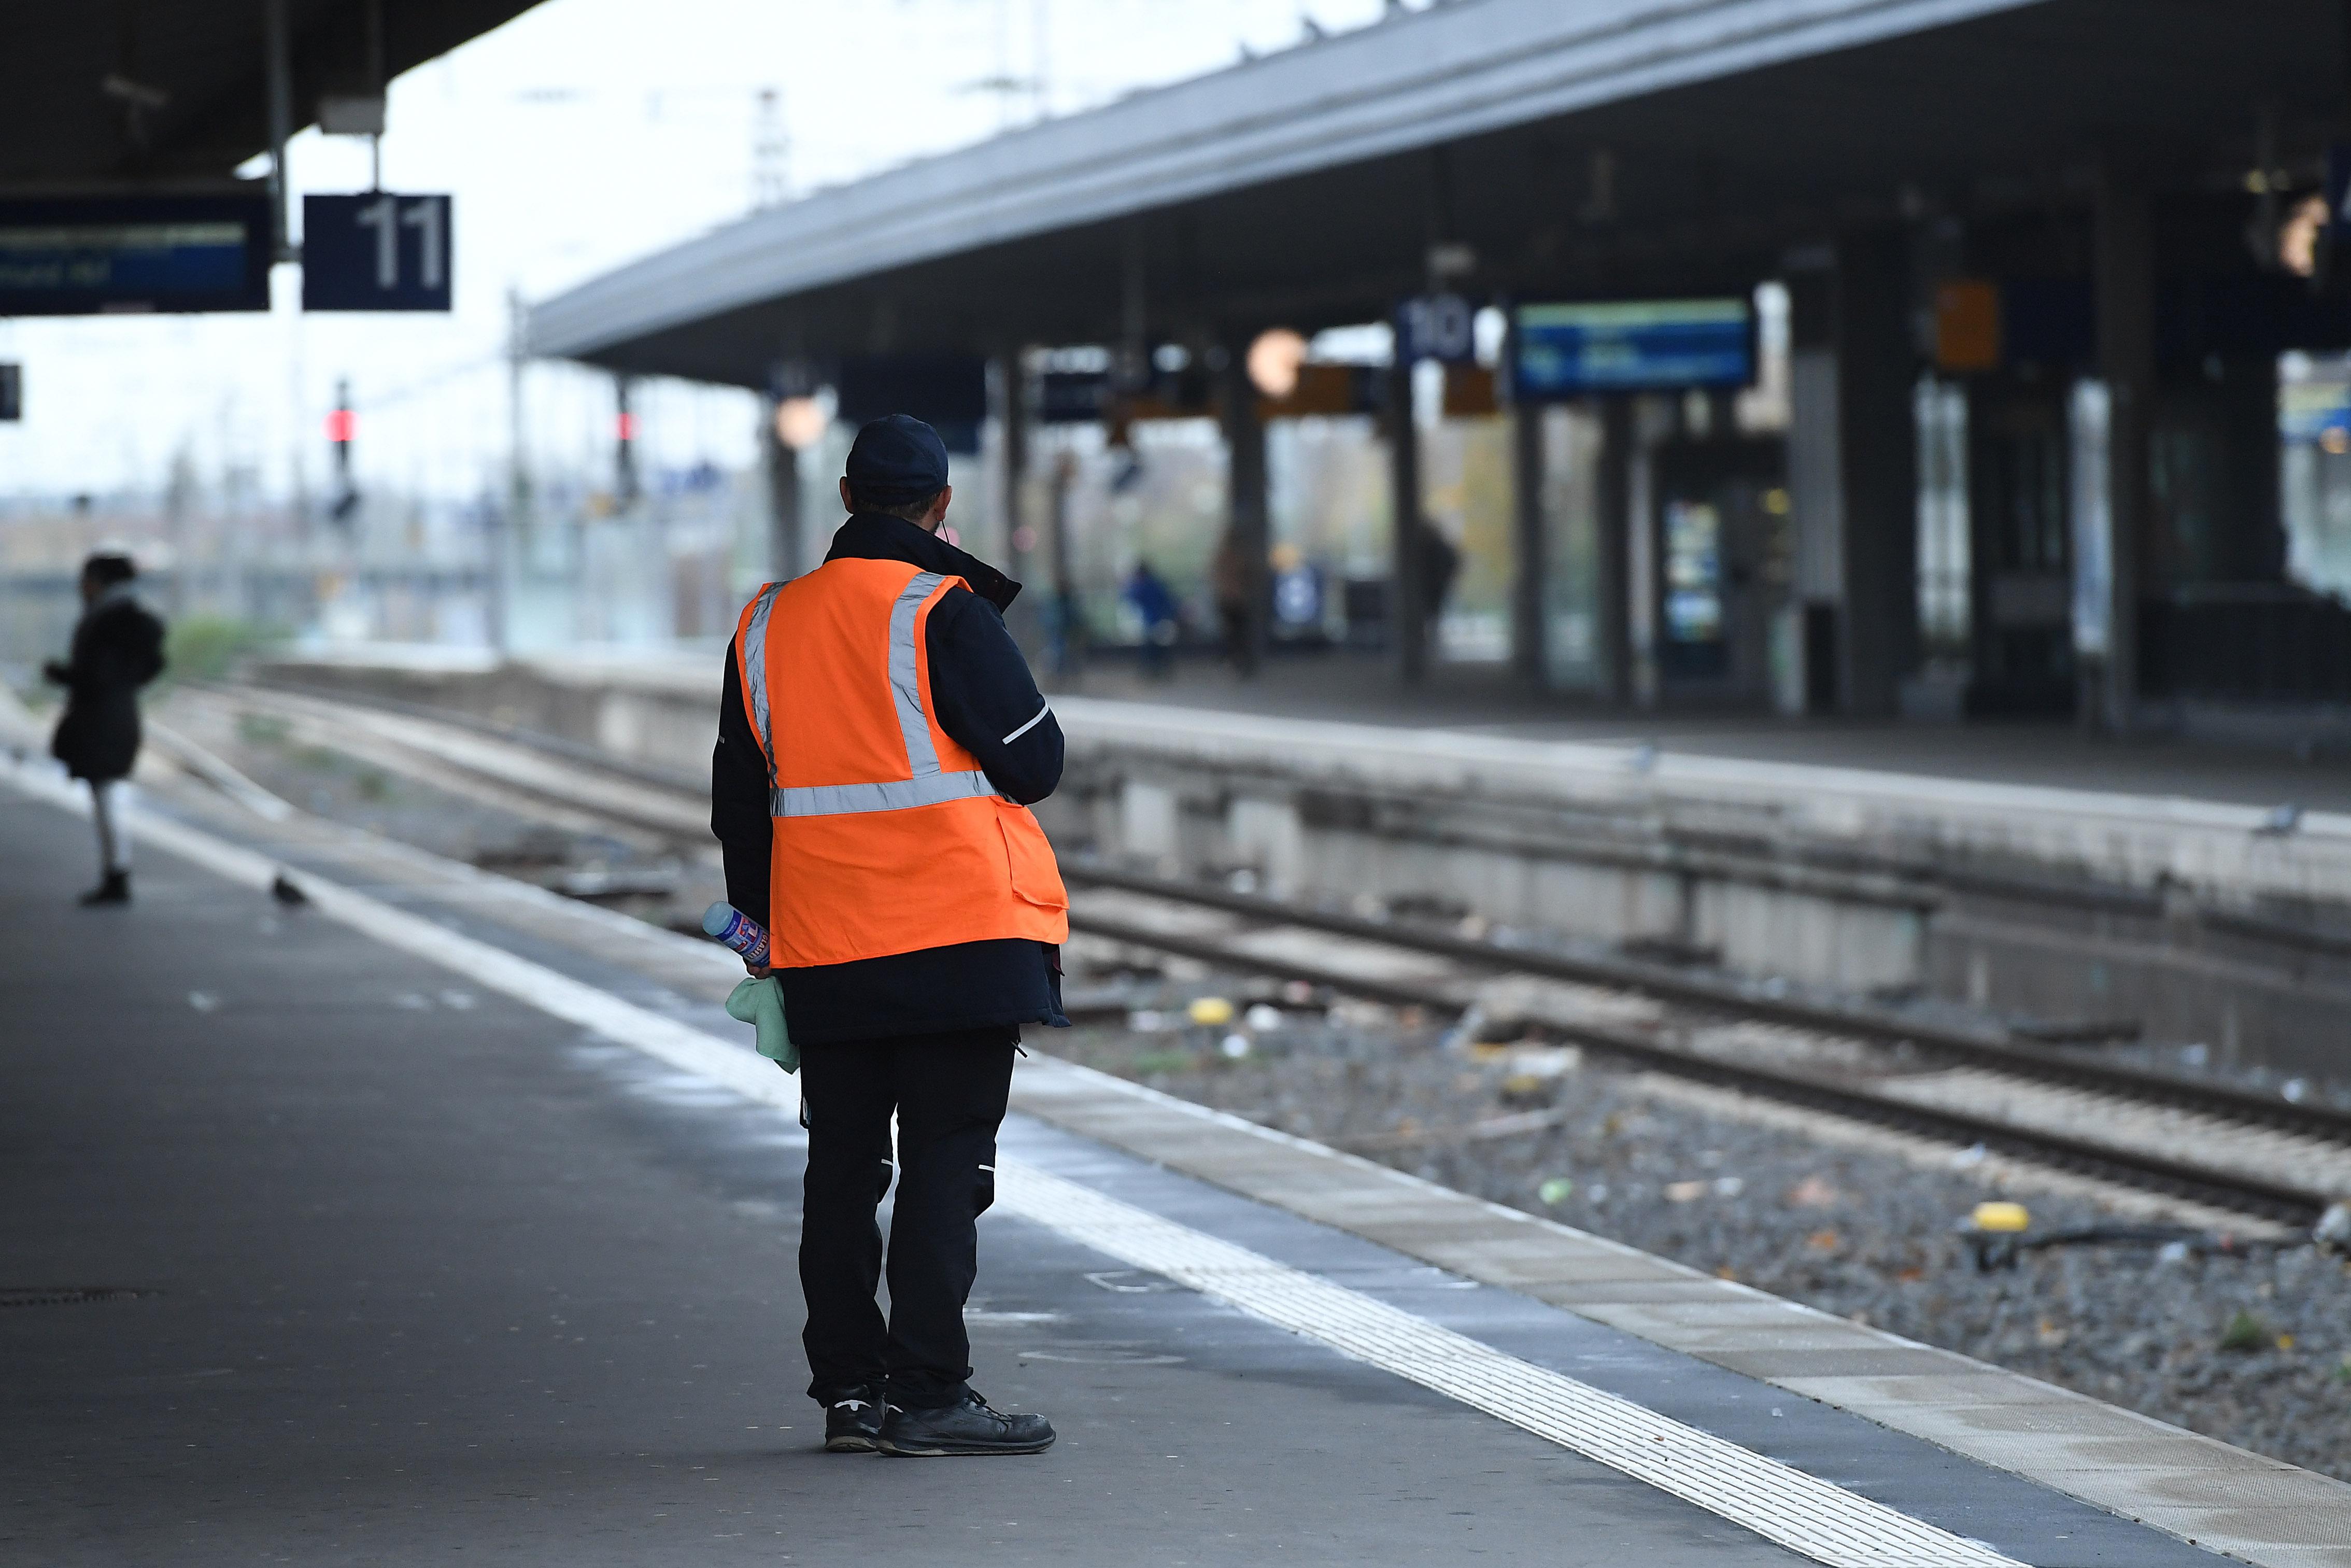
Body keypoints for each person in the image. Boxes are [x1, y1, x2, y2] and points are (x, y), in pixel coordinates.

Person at [710, 414, 1068, 1459]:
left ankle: (852, 1393)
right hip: (959, 938)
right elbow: (1034, 761)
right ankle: (930, 1389)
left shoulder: (766, 625)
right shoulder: (941, 609)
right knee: (946, 1162)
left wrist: (759, 942)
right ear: (940, 507)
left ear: (846, 497)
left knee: (844, 1166)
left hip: (827, 950)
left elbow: (739, 807)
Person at [43, 552, 166, 906]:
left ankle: (117, 875)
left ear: (99, 582)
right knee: (106, 793)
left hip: (102, 719)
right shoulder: (127, 619)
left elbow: (96, 675)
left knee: (107, 794)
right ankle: (115, 872)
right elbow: (148, 666)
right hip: (116, 714)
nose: (81, 587)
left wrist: (63, 675)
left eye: (87, 579)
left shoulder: (106, 621)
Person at [1121, 559, 1179, 679]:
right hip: (1164, 621)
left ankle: (1152, 673)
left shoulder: (1143, 585)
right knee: (1160, 650)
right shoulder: (1158, 584)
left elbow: (1129, 596)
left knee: (1150, 650)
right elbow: (1171, 601)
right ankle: (1160, 672)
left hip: (1153, 622)